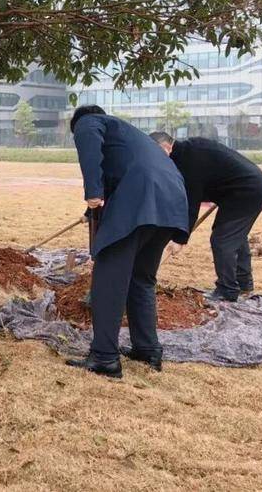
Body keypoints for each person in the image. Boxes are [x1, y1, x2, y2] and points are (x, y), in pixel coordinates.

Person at [67, 106, 189, 377]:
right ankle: (147, 349)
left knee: (109, 280)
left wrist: (93, 192)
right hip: (170, 203)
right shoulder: (129, 137)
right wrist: (92, 212)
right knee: (140, 279)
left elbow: (92, 152)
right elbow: (118, 173)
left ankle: (105, 357)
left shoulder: (89, 122)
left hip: (143, 199)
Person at [149, 132, 262, 301]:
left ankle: (227, 291)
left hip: (247, 192)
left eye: (156, 154)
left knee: (222, 240)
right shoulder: (191, 149)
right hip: (247, 189)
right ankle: (244, 285)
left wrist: (180, 238)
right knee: (236, 238)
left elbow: (191, 204)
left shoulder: (188, 162)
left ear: (167, 147)